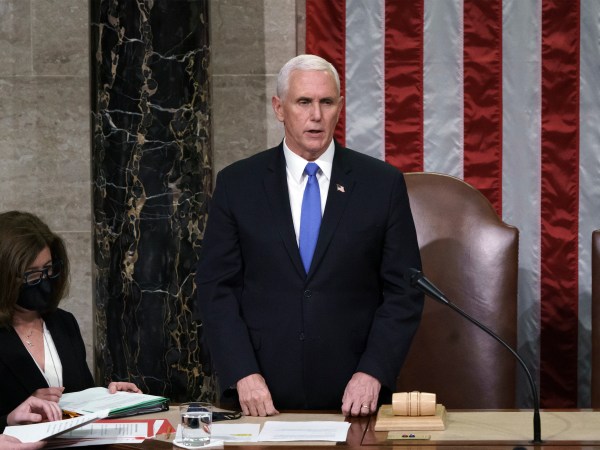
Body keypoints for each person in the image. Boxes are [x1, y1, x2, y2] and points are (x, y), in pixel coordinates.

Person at [194, 54, 424, 417]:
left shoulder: (381, 185)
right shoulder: (238, 184)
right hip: (260, 396)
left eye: (326, 102)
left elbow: (404, 291)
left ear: (339, 107)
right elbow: (215, 288)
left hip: (354, 397)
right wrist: (242, 372)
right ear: (279, 108)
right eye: (304, 102)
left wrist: (373, 370)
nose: (316, 115)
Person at [0, 211, 141, 419]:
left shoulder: (64, 323)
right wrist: (10, 419)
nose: (44, 281)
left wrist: (111, 398)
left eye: (48, 269)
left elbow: (81, 397)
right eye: (32, 274)